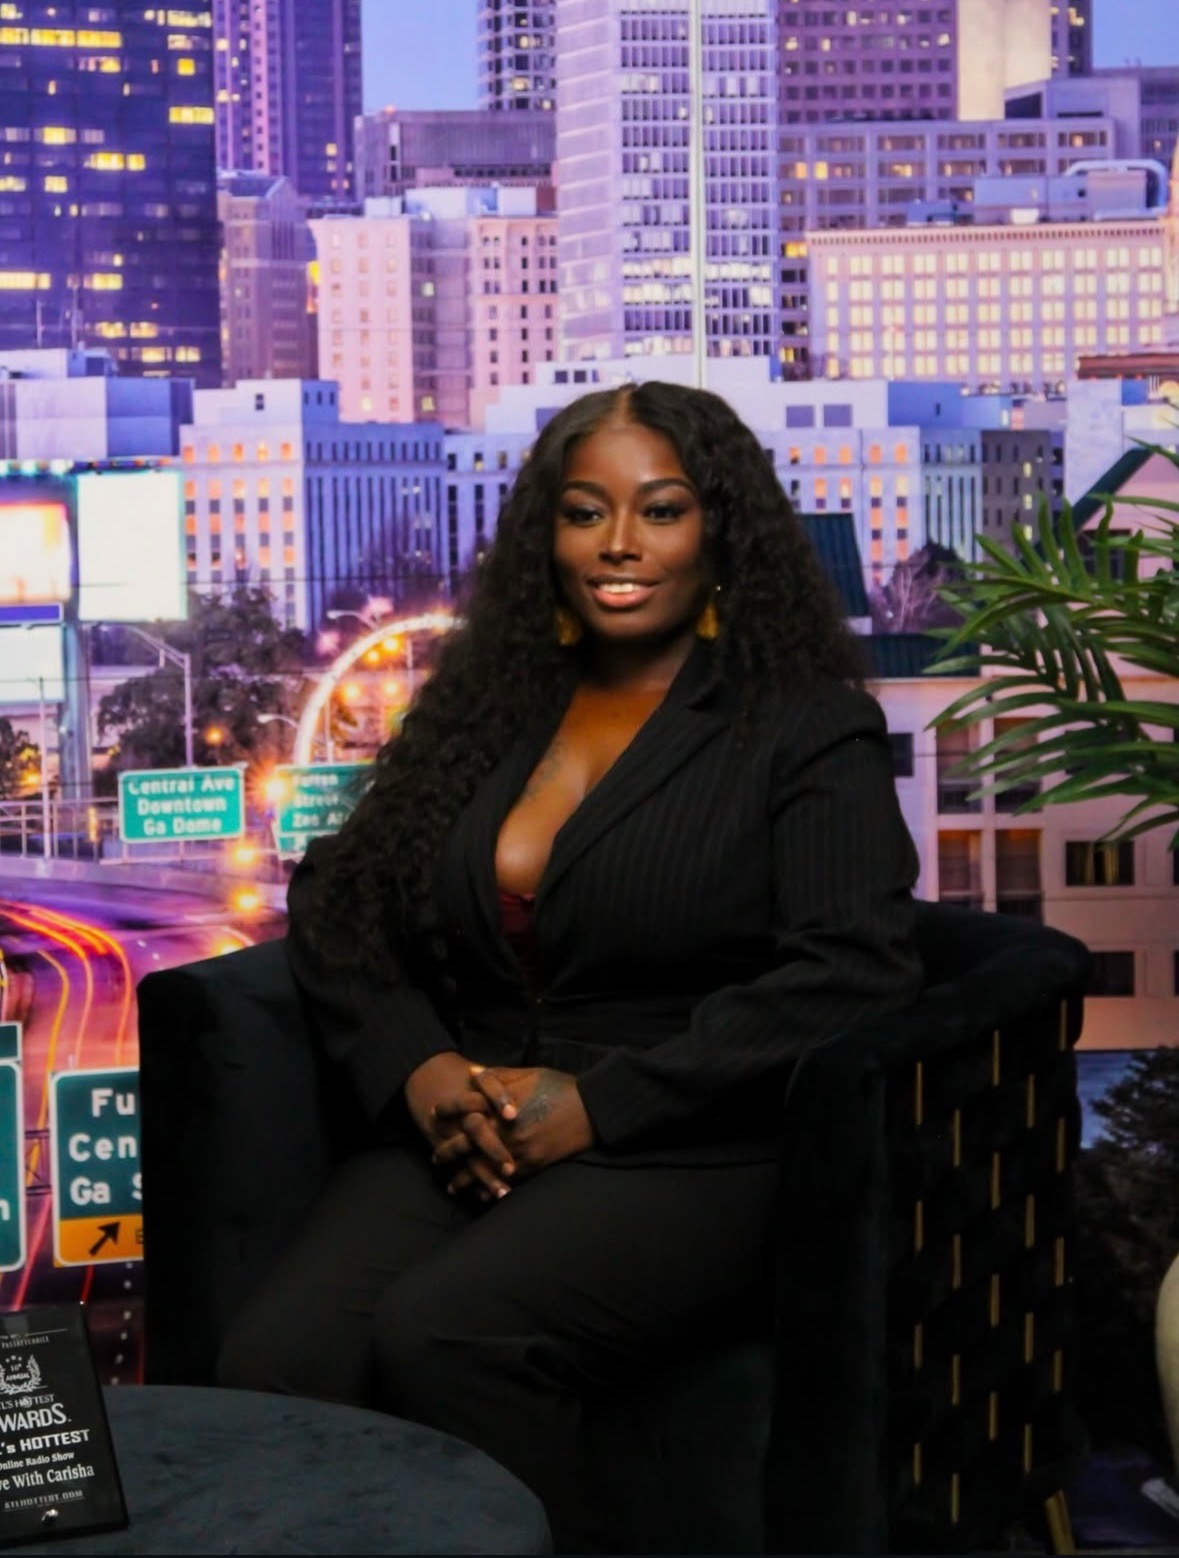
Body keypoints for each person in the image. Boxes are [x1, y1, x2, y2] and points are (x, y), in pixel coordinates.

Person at [217, 381, 923, 1552]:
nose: (619, 545)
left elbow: (854, 969)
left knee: (450, 1332)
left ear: (720, 533)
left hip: (695, 1138)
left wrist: (598, 1106)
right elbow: (340, 892)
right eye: (586, 512)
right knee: (278, 1357)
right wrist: (422, 1070)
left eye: (662, 510)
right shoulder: (498, 704)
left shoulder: (804, 726)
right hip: (478, 1113)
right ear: (549, 534)